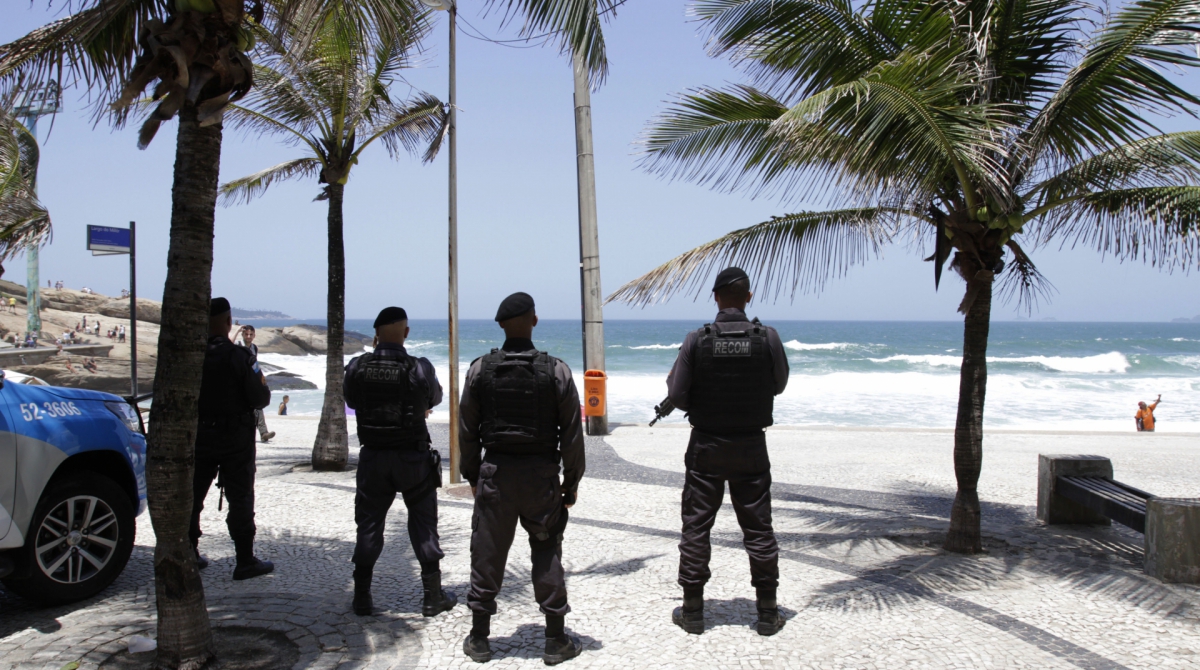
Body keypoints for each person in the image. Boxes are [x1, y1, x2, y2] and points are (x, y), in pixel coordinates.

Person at [459, 292, 586, 665]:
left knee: (488, 551)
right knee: (546, 552)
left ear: (501, 324)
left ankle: (480, 638)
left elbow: (467, 429)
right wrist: (571, 482)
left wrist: (472, 476)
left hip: (496, 475)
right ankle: (555, 638)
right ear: (534, 320)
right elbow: (572, 435)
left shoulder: (481, 369)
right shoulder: (556, 370)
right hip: (541, 478)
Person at [665, 267, 790, 637]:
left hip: (707, 446)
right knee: (758, 527)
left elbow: (676, 394)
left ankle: (693, 612)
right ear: (748, 297)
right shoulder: (767, 337)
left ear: (716, 297)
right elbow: (779, 384)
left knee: (697, 526)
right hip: (751, 445)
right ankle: (767, 613)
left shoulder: (697, 339)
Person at [344, 306, 457, 618]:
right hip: (413, 459)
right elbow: (434, 398)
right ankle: (432, 597)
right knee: (424, 525)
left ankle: (362, 597)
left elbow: (351, 401)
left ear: (375, 334)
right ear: (406, 333)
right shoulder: (418, 367)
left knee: (368, 525)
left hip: (373, 458)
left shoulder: (358, 366)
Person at [189, 297, 275, 580]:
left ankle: (188, 551)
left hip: (199, 434)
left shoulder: (191, 356)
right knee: (240, 497)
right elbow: (261, 397)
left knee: (193, 496)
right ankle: (244, 559)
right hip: (235, 437)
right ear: (228, 323)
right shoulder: (240, 357)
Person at [235, 325, 276, 443]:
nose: (248, 337)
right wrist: (237, 330)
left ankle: (263, 433)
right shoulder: (238, 345)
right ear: (243, 335)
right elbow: (229, 343)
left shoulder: (254, 348)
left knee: (257, 405)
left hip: (250, 381)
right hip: (239, 382)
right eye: (246, 334)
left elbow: (255, 365)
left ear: (254, 335)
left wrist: (261, 378)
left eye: (251, 334)